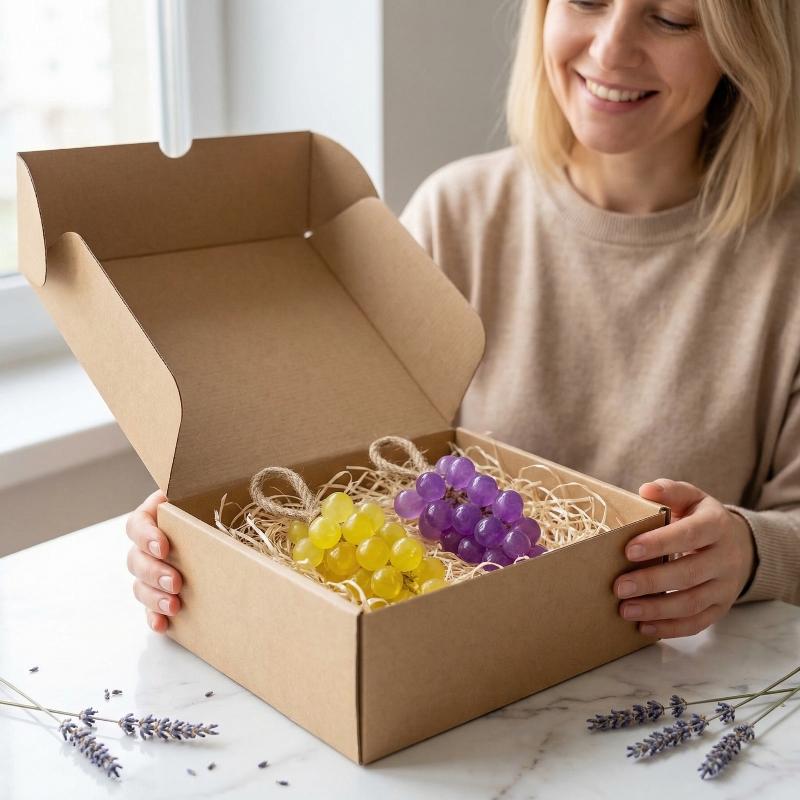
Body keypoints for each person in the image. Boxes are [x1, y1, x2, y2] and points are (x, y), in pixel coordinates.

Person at [126, 0, 800, 639]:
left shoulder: (786, 260)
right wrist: (202, 530)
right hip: (454, 663)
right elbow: (334, 467)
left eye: (671, 18)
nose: (611, 49)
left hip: (686, 683)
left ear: (741, 45)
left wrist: (752, 552)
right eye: (586, 1)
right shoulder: (455, 215)